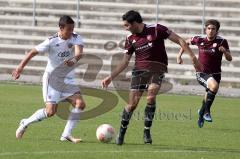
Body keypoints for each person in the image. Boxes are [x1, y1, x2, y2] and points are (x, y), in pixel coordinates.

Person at [101, 10, 201, 145]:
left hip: (157, 69)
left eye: (126, 25)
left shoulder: (156, 29)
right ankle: (122, 133)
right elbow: (125, 62)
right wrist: (110, 77)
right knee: (132, 105)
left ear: (135, 23)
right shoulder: (130, 38)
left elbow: (180, 40)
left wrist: (193, 57)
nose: (125, 28)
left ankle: (146, 131)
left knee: (151, 95)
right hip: (139, 71)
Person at [12, 15, 86, 143]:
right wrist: (20, 67)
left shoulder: (75, 37)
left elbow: (79, 53)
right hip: (52, 79)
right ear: (61, 28)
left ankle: (66, 134)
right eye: (69, 29)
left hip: (68, 78)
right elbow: (32, 52)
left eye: (73, 29)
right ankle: (25, 122)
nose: (71, 32)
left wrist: (73, 59)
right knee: (50, 112)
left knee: (80, 104)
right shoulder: (51, 41)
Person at [177, 19, 232, 128]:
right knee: (214, 86)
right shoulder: (199, 39)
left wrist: (225, 52)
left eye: (213, 29)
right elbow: (185, 42)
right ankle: (207, 112)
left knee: (208, 95)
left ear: (217, 30)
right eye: (209, 28)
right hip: (201, 72)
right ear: (205, 29)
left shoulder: (222, 41)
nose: (211, 31)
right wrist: (179, 56)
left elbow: (229, 58)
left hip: (216, 74)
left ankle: (201, 114)